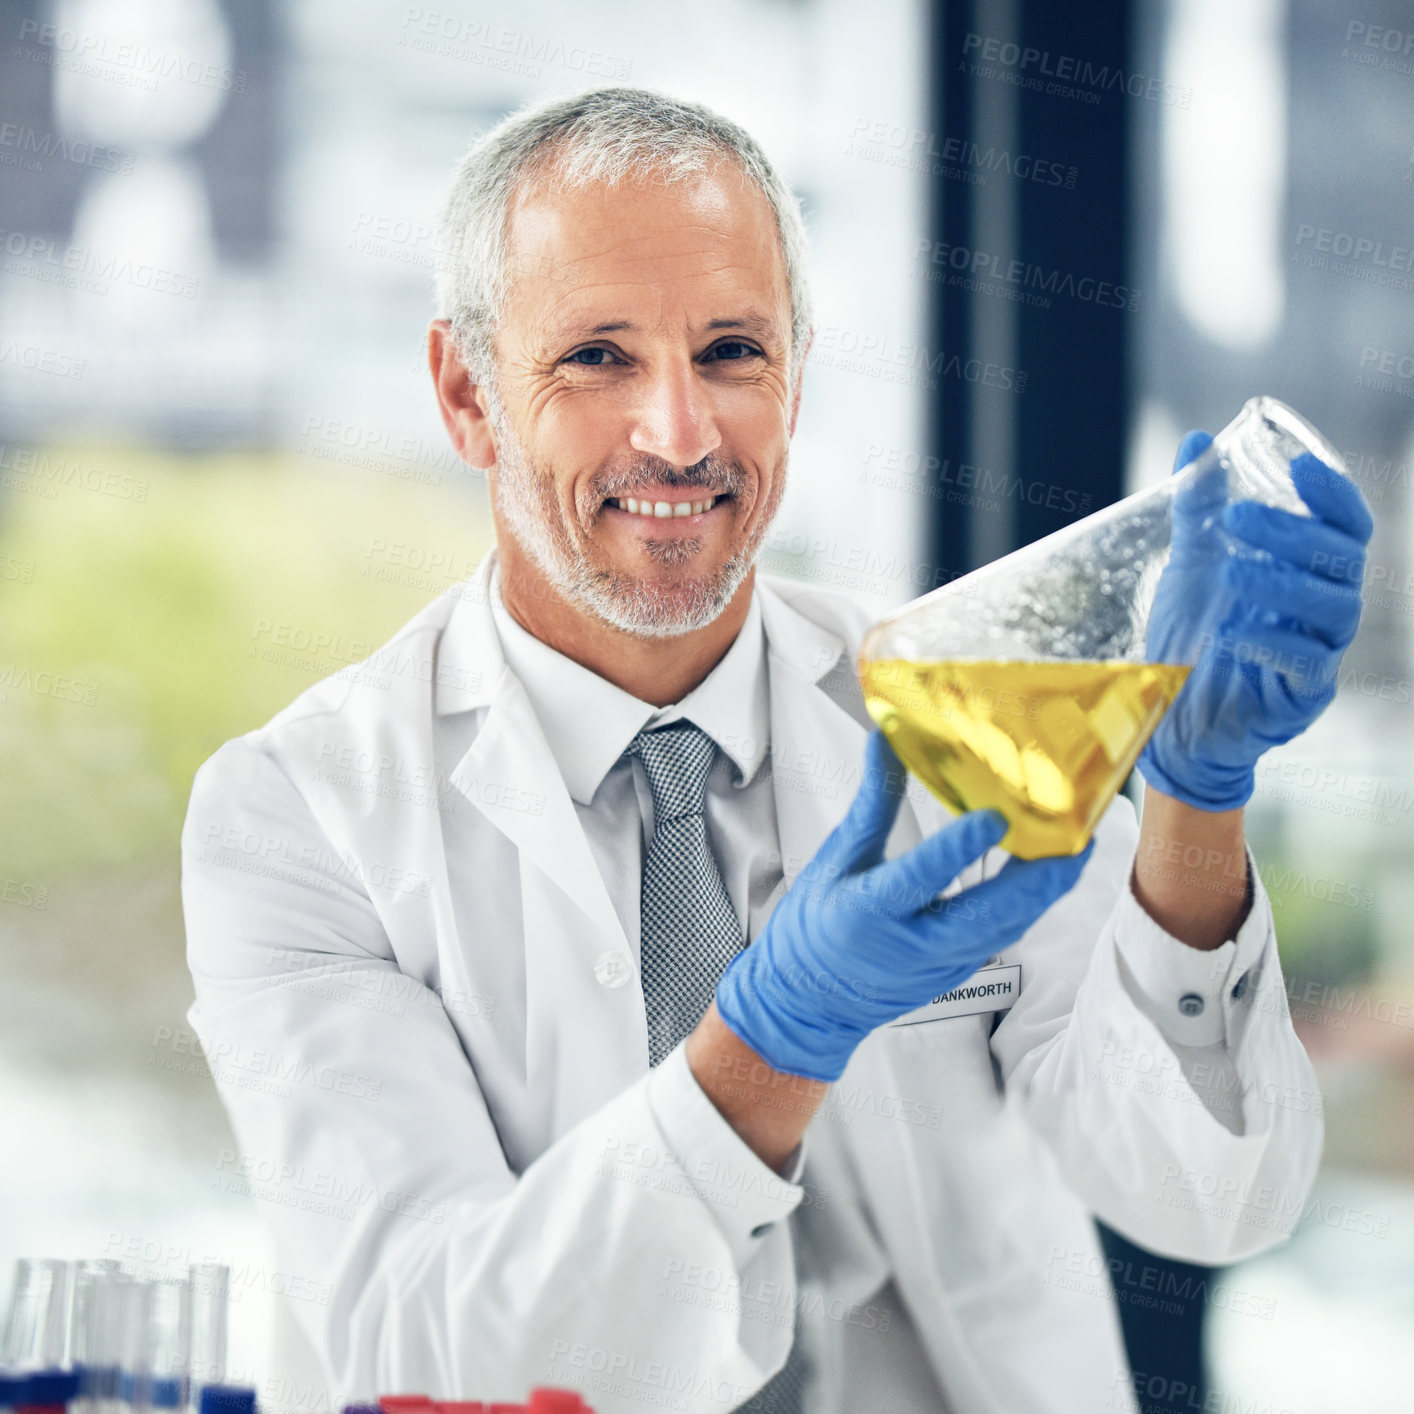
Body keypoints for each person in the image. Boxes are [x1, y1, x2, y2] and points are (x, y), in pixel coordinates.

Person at [181, 88, 1372, 1414]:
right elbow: (429, 1353)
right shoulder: (298, 818)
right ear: (467, 395)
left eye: (732, 350)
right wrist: (769, 1042)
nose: (680, 432)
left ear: (794, 377)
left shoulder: (956, 705)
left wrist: (1193, 810)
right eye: (596, 357)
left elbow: (1210, 1196)